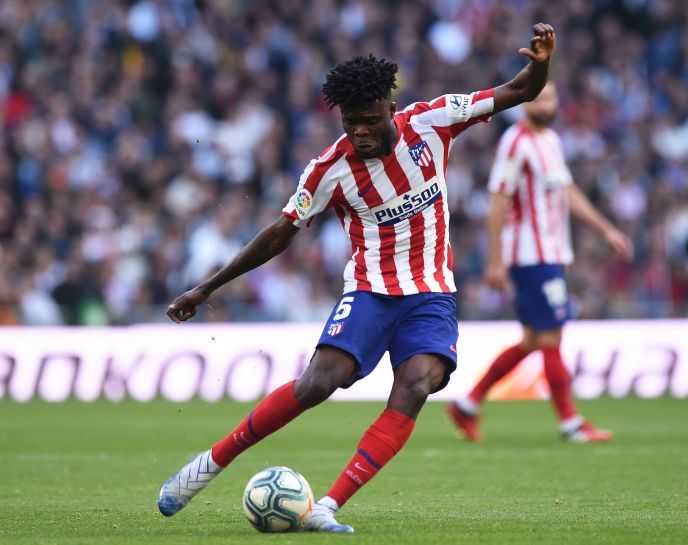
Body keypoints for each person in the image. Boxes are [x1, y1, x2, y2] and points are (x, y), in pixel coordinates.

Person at [156, 24, 557, 533]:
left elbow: (519, 90)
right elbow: (280, 233)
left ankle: (327, 506)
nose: (360, 132)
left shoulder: (434, 121)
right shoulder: (330, 169)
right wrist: (206, 287)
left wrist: (541, 62)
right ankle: (210, 463)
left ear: (391, 109)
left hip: (432, 293)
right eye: (351, 124)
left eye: (369, 121)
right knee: (319, 383)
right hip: (371, 291)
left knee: (417, 385)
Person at [447, 82, 633, 443]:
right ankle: (570, 423)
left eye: (551, 96)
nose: (546, 103)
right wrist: (495, 260)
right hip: (529, 255)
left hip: (551, 252)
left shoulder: (550, 140)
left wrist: (605, 229)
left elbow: (567, 191)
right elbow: (498, 201)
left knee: (533, 340)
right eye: (539, 97)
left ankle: (466, 406)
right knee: (551, 336)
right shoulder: (514, 143)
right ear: (525, 103)